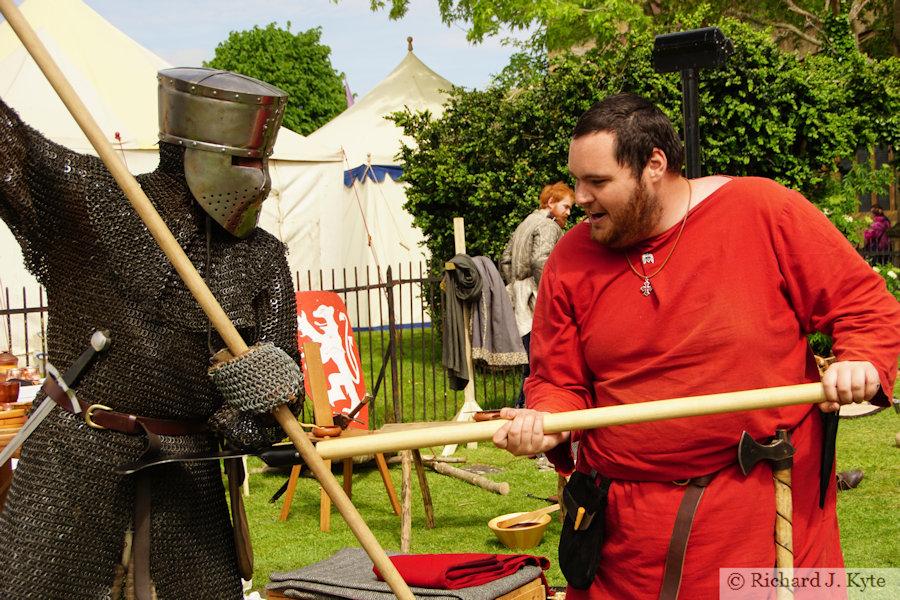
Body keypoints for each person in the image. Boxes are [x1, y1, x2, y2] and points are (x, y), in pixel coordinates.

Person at [492, 93, 900, 599]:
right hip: (626, 534)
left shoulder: (762, 210)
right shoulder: (571, 257)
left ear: (654, 166)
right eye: (576, 180)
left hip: (759, 514)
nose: (579, 197)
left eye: (598, 182)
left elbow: (864, 305)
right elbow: (558, 380)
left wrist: (860, 358)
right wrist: (545, 422)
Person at [0, 68, 304, 599]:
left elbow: (275, 423)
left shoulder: (260, 258)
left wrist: (254, 400)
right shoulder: (96, 203)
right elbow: (12, 153)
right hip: (71, 469)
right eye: (243, 161)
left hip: (187, 486)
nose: (256, 177)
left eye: (261, 160)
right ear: (192, 149)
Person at [500, 182, 575, 407]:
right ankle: (526, 408)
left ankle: (522, 407)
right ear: (551, 203)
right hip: (534, 299)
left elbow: (505, 258)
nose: (569, 213)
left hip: (518, 298)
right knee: (539, 362)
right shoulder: (548, 225)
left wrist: (514, 284)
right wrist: (550, 296)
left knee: (530, 361)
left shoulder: (527, 222)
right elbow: (540, 259)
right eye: (566, 206)